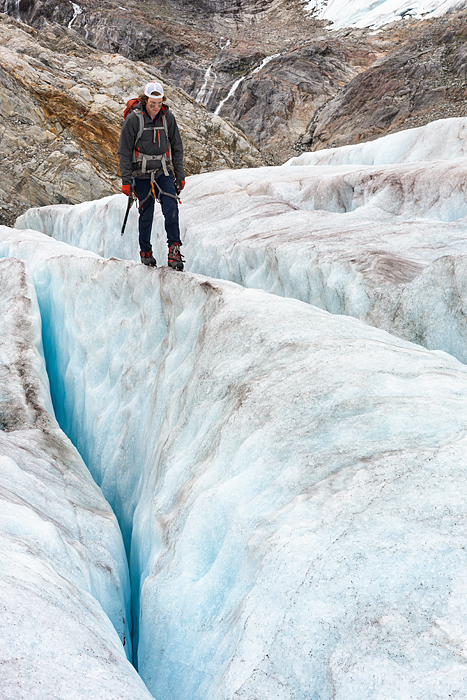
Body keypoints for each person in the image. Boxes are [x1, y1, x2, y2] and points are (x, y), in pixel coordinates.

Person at [118, 81, 186, 270]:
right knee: (146, 213)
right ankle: (145, 251)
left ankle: (174, 250)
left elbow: (177, 147)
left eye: (159, 102)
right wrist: (126, 180)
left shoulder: (168, 118)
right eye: (152, 103)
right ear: (145, 100)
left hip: (163, 171)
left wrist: (180, 175)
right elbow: (124, 151)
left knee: (171, 208)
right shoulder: (134, 119)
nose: (156, 107)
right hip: (141, 173)